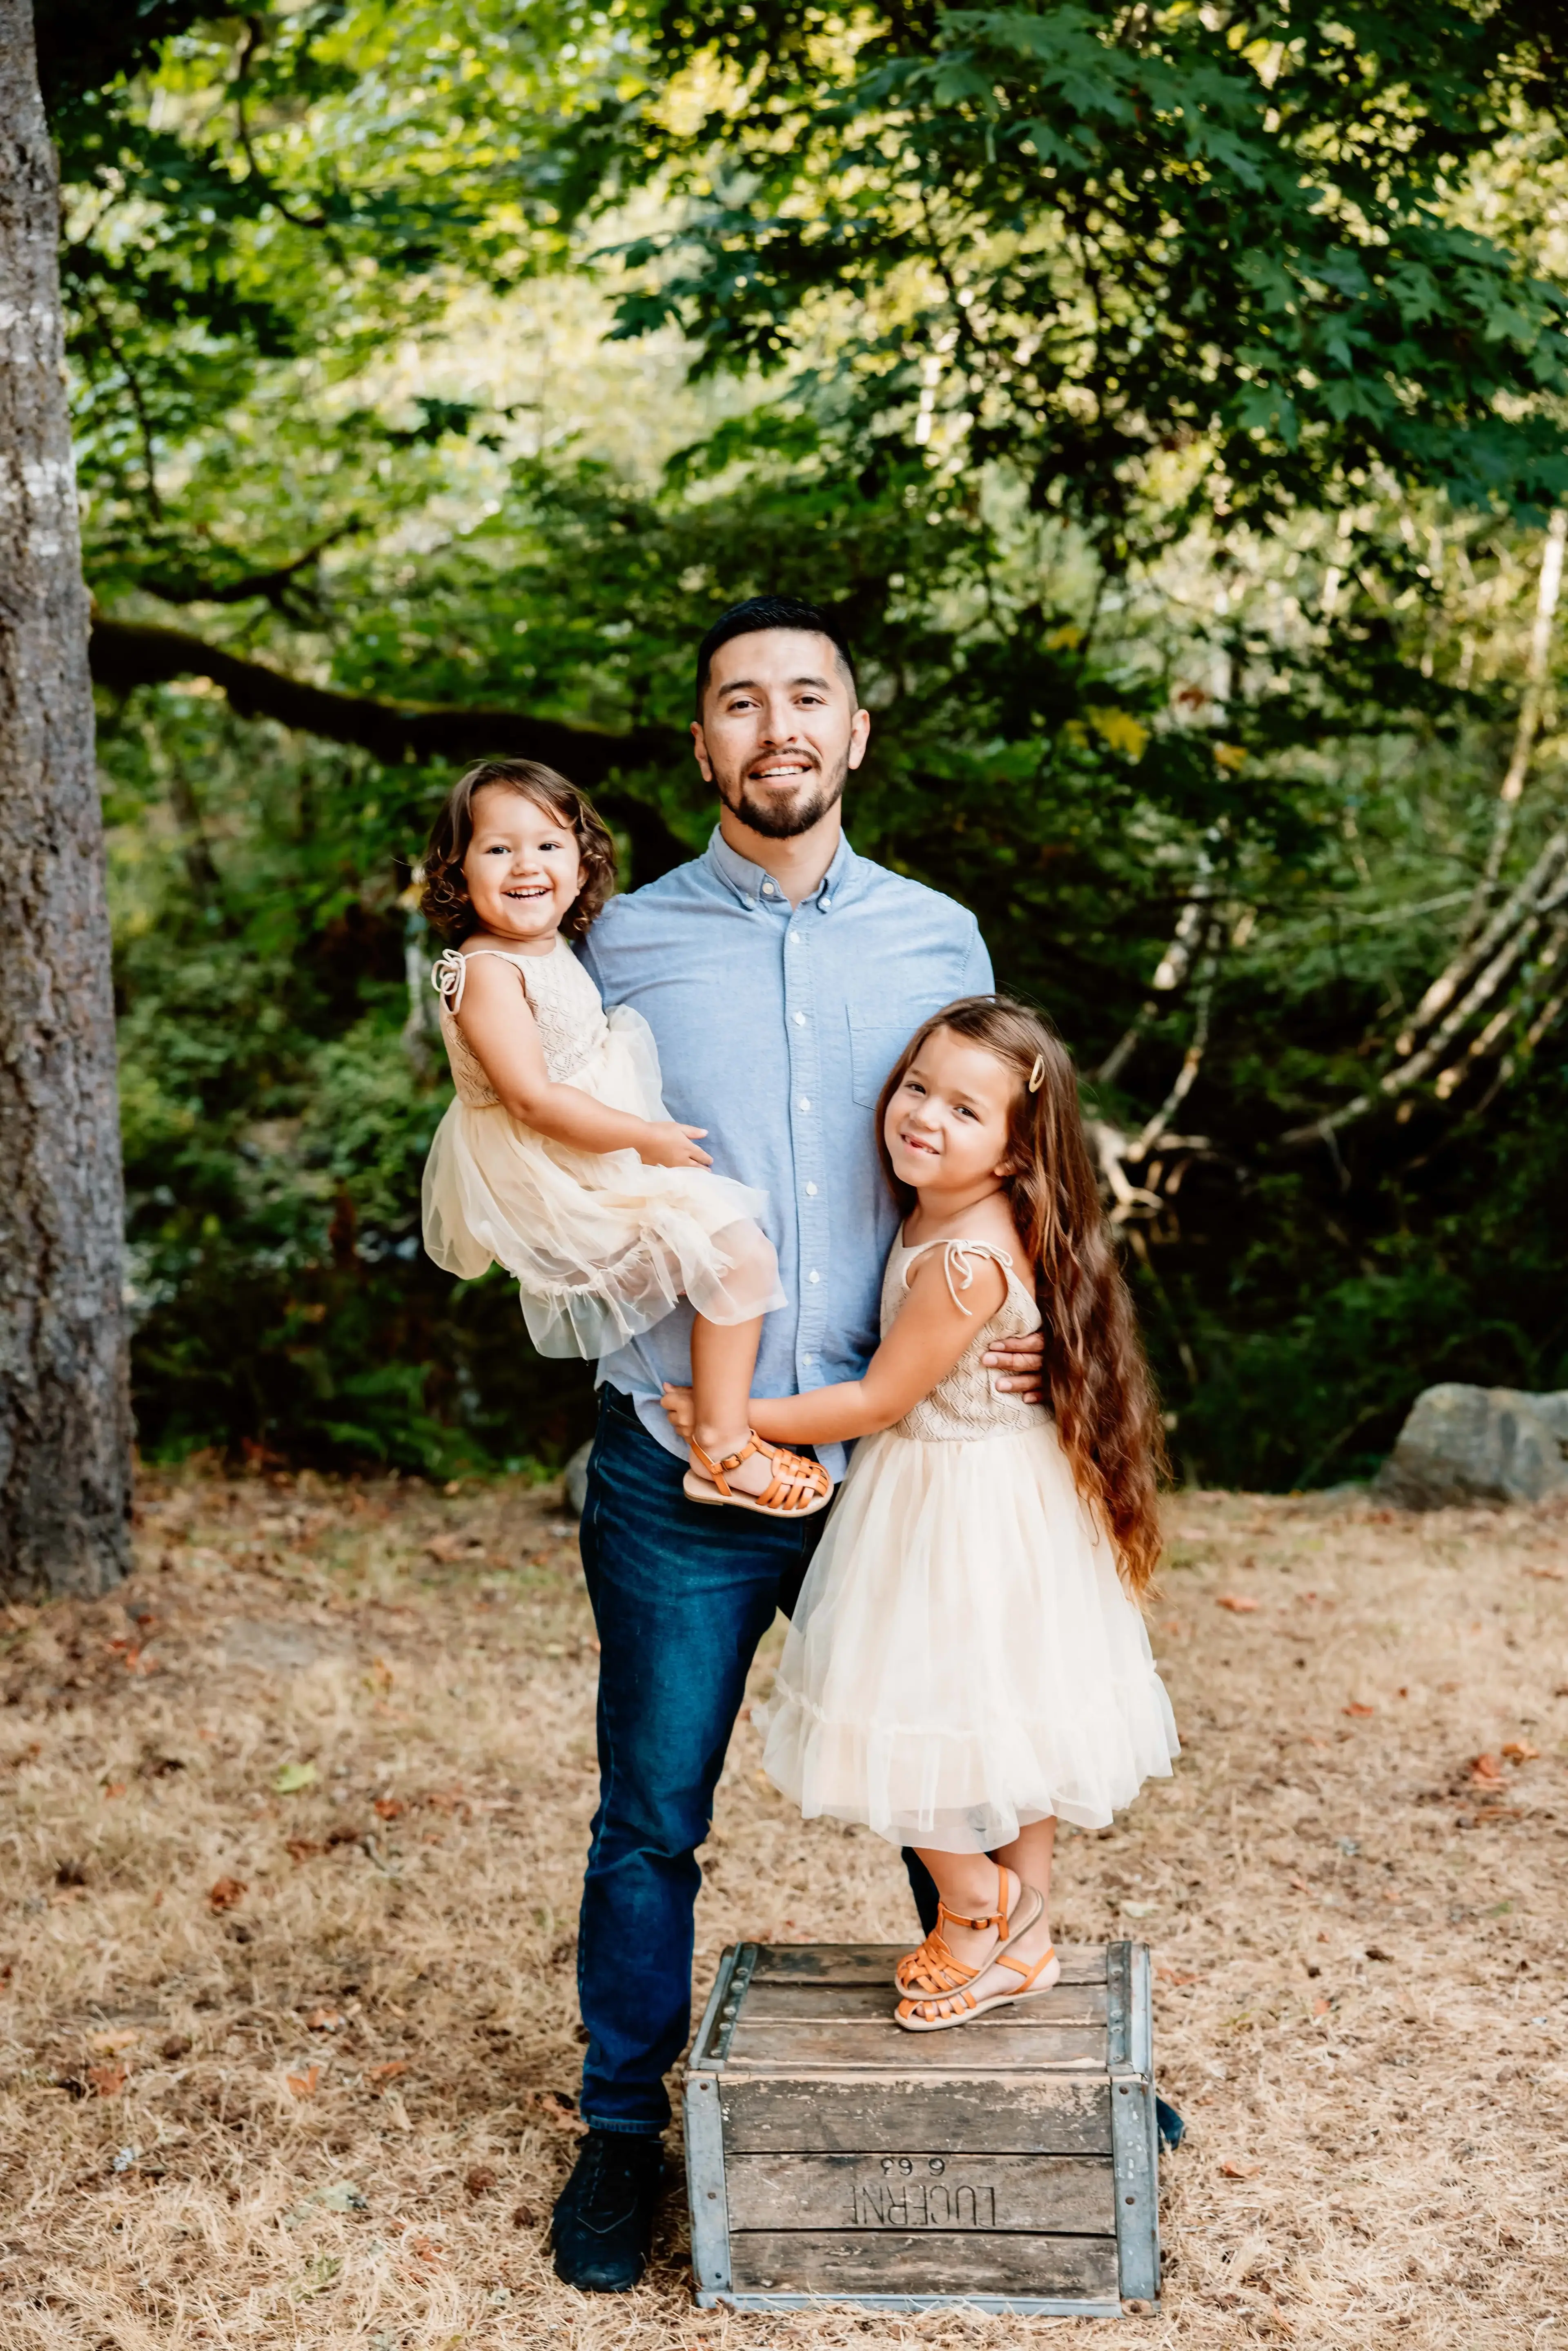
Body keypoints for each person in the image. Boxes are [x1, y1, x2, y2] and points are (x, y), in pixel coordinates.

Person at [550, 595, 1047, 2291]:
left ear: (855, 733)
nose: (778, 725)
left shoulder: (939, 935)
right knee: (651, 1813)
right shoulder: (608, 948)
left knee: (957, 1764)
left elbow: (994, 1150)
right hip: (678, 1464)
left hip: (894, 1452)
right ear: (702, 743)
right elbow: (543, 1165)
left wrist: (1022, 1304)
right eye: (740, 700)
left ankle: (1017, 2067)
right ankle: (623, 2133)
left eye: (808, 697)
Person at [665, 997, 1179, 2030]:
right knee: (1003, 1718)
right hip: (989, 1487)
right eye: (916, 1088)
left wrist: (725, 1412)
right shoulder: (948, 1210)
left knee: (899, 1703)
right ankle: (1024, 1940)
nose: (923, 1118)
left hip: (960, 1502)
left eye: (963, 1110)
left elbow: (877, 1399)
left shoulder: (961, 1255)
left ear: (1011, 1155)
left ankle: (981, 1901)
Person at [419, 758, 829, 1520]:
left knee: (731, 1257)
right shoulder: (483, 968)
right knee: (739, 1255)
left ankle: (712, 1419)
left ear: (582, 867)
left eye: (548, 845)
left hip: (584, 1154)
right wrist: (645, 1137)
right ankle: (723, 1442)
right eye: (497, 849)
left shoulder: (551, 948)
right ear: (455, 871)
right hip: (554, 1168)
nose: (526, 865)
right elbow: (533, 1099)